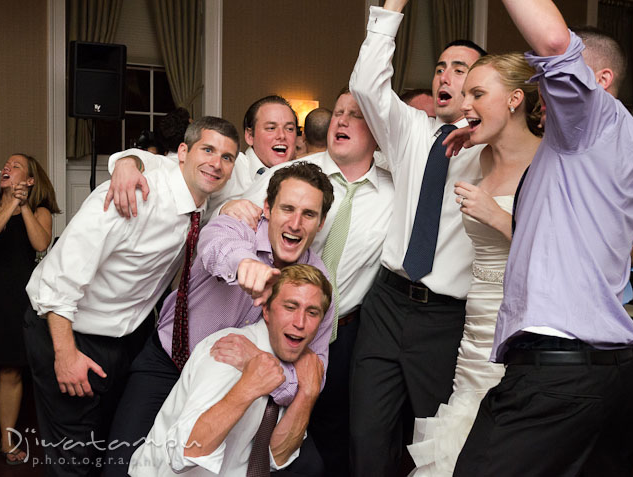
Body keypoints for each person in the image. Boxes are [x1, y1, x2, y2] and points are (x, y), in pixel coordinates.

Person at [454, 2, 633, 475]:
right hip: (611, 377)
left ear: (600, 82)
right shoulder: (617, 149)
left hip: (557, 377)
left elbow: (553, 43)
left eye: (557, 80)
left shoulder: (592, 124)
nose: (544, 87)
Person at [25, 117, 239, 477]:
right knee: (73, 461)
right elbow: (59, 279)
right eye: (207, 149)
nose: (216, 163)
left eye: (227, 157)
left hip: (125, 338)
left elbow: (150, 159)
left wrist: (129, 158)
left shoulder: (197, 199)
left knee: (114, 448)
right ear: (183, 152)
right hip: (68, 331)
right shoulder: (132, 196)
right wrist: (64, 354)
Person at [102, 161, 334, 477]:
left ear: (320, 223)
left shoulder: (317, 284)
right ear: (267, 208)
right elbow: (214, 246)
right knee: (124, 465)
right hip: (171, 364)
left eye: (308, 214)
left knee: (307, 466)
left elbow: (311, 374)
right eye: (287, 208)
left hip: (249, 384)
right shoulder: (235, 229)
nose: (295, 223)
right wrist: (244, 266)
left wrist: (257, 364)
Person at [347, 2, 486, 475]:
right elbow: (367, 85)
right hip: (386, 305)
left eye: (460, 69)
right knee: (366, 432)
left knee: (432, 442)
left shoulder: (494, 152)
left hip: (446, 320)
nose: (444, 76)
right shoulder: (412, 130)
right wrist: (390, 12)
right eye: (441, 67)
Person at [226, 87, 394, 476]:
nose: (341, 121)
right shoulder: (293, 174)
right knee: (257, 428)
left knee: (332, 435)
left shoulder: (394, 190)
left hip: (342, 333)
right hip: (270, 326)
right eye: (339, 113)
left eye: (356, 115)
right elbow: (241, 219)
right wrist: (234, 207)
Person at [406, 53, 542, 475]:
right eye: (465, 95)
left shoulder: (550, 164)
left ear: (515, 99)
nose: (464, 104)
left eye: (478, 93)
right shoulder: (477, 156)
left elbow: (564, 259)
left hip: (522, 321)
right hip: (475, 322)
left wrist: (500, 218)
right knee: (463, 424)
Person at [129, 264, 330, 477]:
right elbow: (187, 451)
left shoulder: (299, 367)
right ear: (266, 311)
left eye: (312, 312)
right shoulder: (228, 351)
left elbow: (277, 457)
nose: (300, 322)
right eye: (290, 307)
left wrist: (308, 395)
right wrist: (247, 388)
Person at [0, 154, 59, 467]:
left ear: (31, 181)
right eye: (6, 163)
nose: (7, 166)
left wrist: (23, 208)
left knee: (10, 371)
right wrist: (9, 206)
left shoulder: (40, 212)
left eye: (16, 165)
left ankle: (8, 439)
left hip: (17, 298)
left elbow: (40, 244)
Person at [106, 96, 297, 220]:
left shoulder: (302, 177)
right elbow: (170, 163)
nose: (282, 135)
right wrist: (129, 162)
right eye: (271, 128)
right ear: (249, 136)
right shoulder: (226, 162)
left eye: (289, 128)